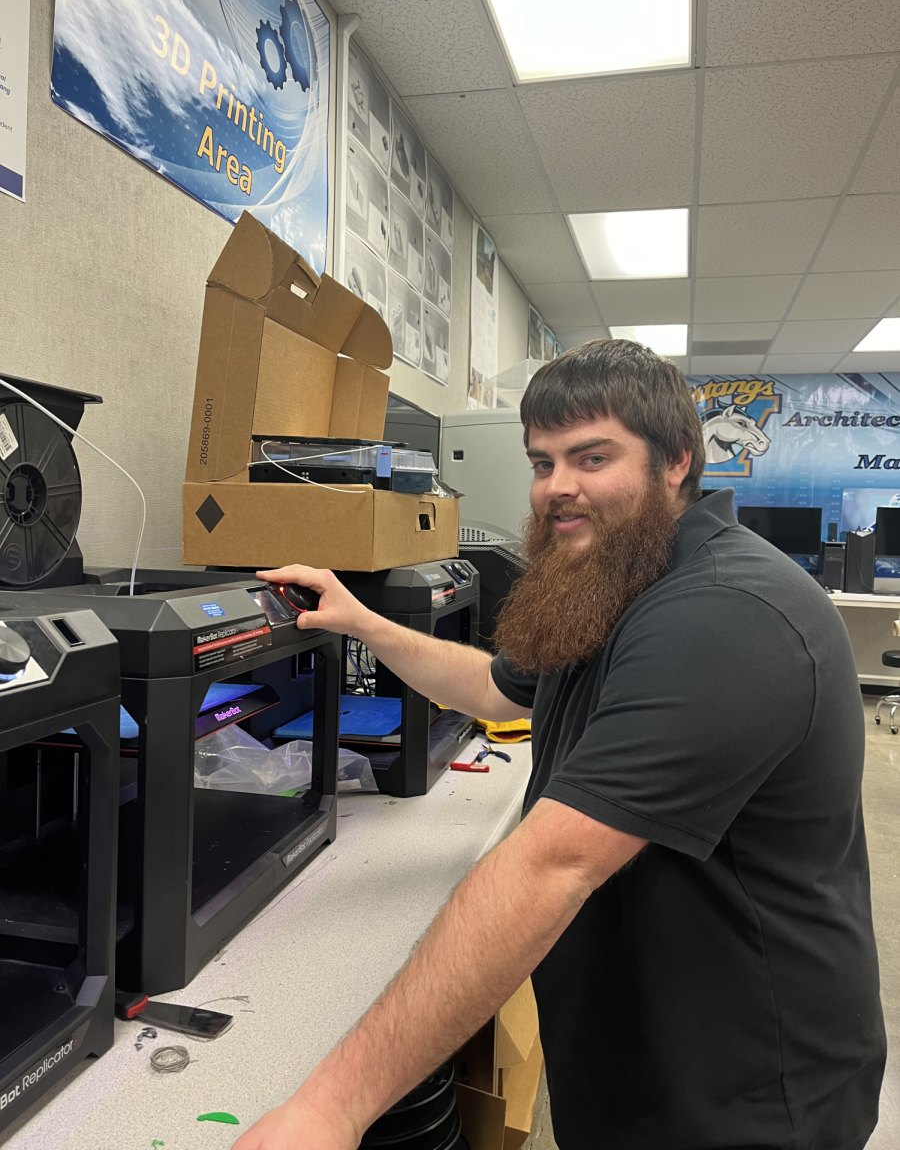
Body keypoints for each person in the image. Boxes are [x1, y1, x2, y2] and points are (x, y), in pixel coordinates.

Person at [235, 340, 886, 1150]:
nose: (557, 489)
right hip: (639, 1054)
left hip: (743, 1090)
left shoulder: (725, 614)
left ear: (677, 460)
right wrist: (361, 622)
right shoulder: (620, 571)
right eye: (543, 462)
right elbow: (492, 688)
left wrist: (326, 1111)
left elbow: (555, 860)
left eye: (592, 456)